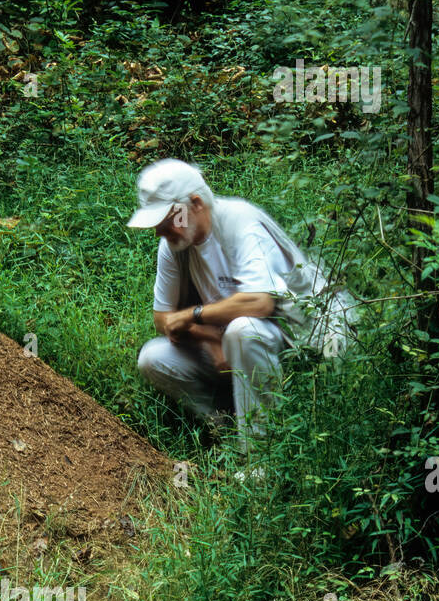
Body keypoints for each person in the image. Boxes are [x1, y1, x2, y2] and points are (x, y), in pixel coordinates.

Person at [129, 159, 356, 461]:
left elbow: (259, 302)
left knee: (243, 330)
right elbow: (163, 319)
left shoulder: (240, 221)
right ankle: (225, 424)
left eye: (166, 219)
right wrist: (210, 340)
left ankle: (262, 455)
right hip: (234, 349)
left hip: (301, 346)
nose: (159, 230)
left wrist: (193, 316)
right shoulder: (175, 243)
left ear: (195, 203)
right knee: (152, 358)